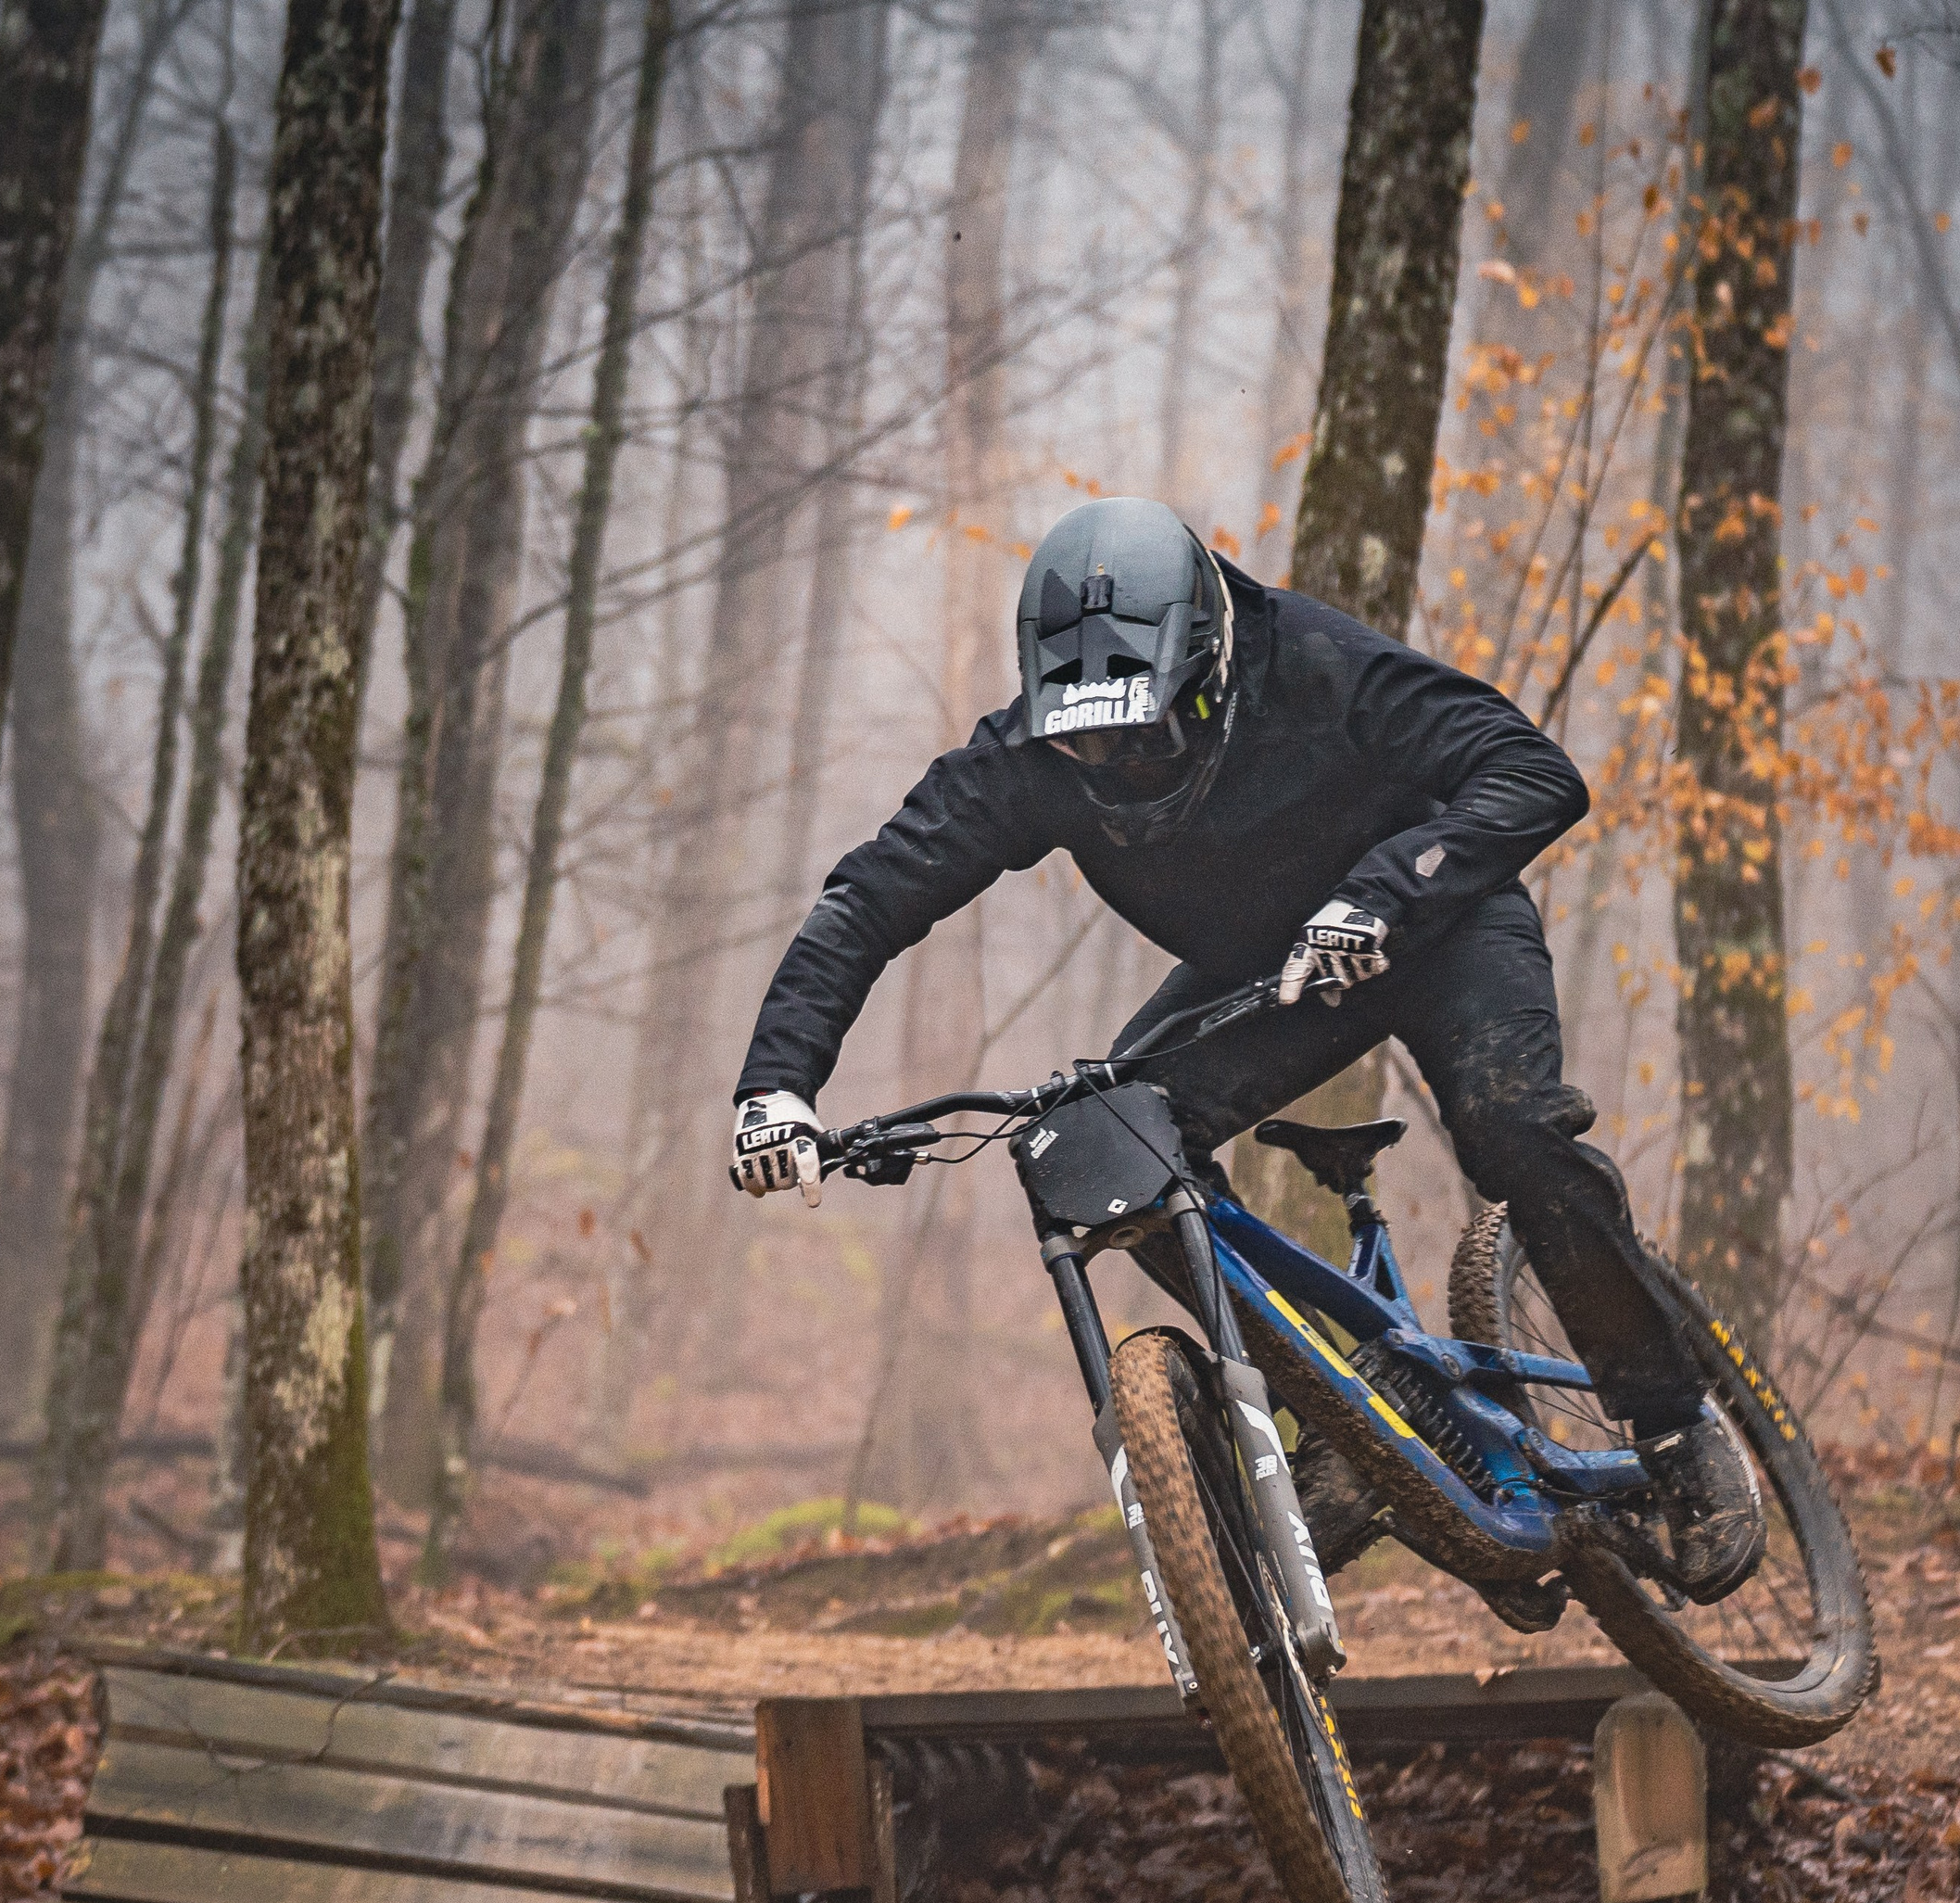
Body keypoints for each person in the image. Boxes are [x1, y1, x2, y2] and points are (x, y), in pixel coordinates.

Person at [730, 495, 1761, 1602]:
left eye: (1140, 735)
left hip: (1436, 926)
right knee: (1107, 1149)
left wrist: (1379, 895)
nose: (1113, 764)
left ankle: (1669, 1426)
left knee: (1513, 1133)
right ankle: (1358, 1421)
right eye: (1082, 741)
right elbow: (867, 901)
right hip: (1271, 973)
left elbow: (1533, 770)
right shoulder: (1028, 758)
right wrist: (776, 1086)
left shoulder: (1319, 666)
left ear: (1210, 671)